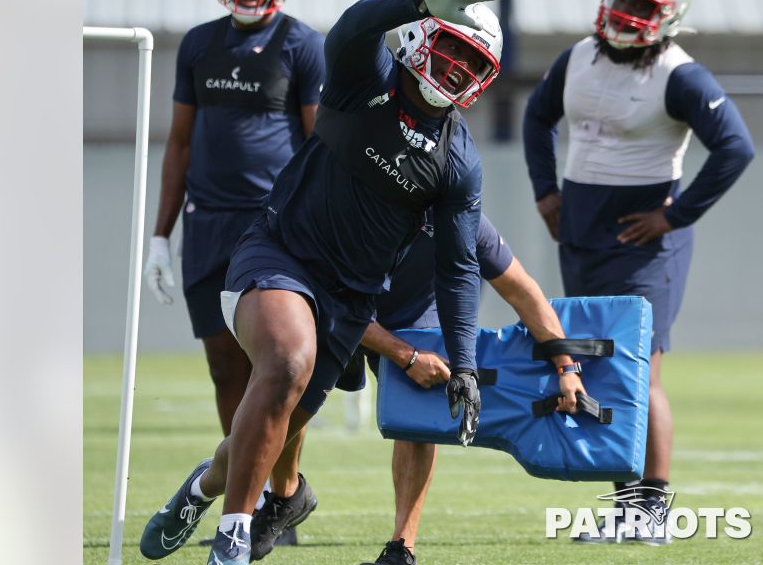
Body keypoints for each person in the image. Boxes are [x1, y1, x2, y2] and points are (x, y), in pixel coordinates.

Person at [139, 0, 508, 565]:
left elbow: (458, 267)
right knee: (286, 362)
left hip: (350, 298)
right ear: (424, 34)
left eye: (475, 63)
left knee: (270, 427)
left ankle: (202, 487)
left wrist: (464, 364)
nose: (459, 69)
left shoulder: (458, 160)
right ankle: (232, 544)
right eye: (455, 49)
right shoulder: (366, 82)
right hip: (280, 251)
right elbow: (350, 28)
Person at [522, 0, 756, 544]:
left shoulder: (682, 75)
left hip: (644, 243)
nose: (624, 13)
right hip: (581, 234)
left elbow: (735, 148)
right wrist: (547, 193)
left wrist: (674, 216)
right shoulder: (576, 57)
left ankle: (648, 512)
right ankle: (628, 508)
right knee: (599, 370)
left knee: (637, 376)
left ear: (668, 16)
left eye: (641, 6)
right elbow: (536, 116)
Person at [247, 212, 587, 564]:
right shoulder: (354, 208)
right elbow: (333, 303)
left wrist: (566, 365)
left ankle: (402, 547)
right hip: (337, 310)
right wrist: (404, 356)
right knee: (288, 393)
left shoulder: (464, 217)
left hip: (411, 319)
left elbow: (523, 291)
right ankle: (287, 493)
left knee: (418, 410)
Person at [141, 0, 324, 548]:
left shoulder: (303, 46)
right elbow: (180, 144)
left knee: (278, 370)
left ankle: (278, 496)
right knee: (227, 373)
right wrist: (159, 235)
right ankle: (255, 492)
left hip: (274, 232)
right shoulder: (197, 44)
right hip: (207, 227)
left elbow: (320, 145)